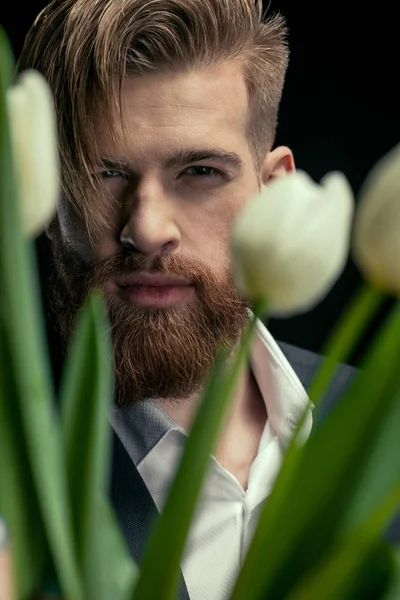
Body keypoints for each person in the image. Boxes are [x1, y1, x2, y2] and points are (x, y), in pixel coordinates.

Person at [11, 1, 356, 599]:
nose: (146, 229)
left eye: (198, 171)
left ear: (273, 189)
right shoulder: (13, 480)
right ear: (48, 197)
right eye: (103, 175)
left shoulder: (381, 433)